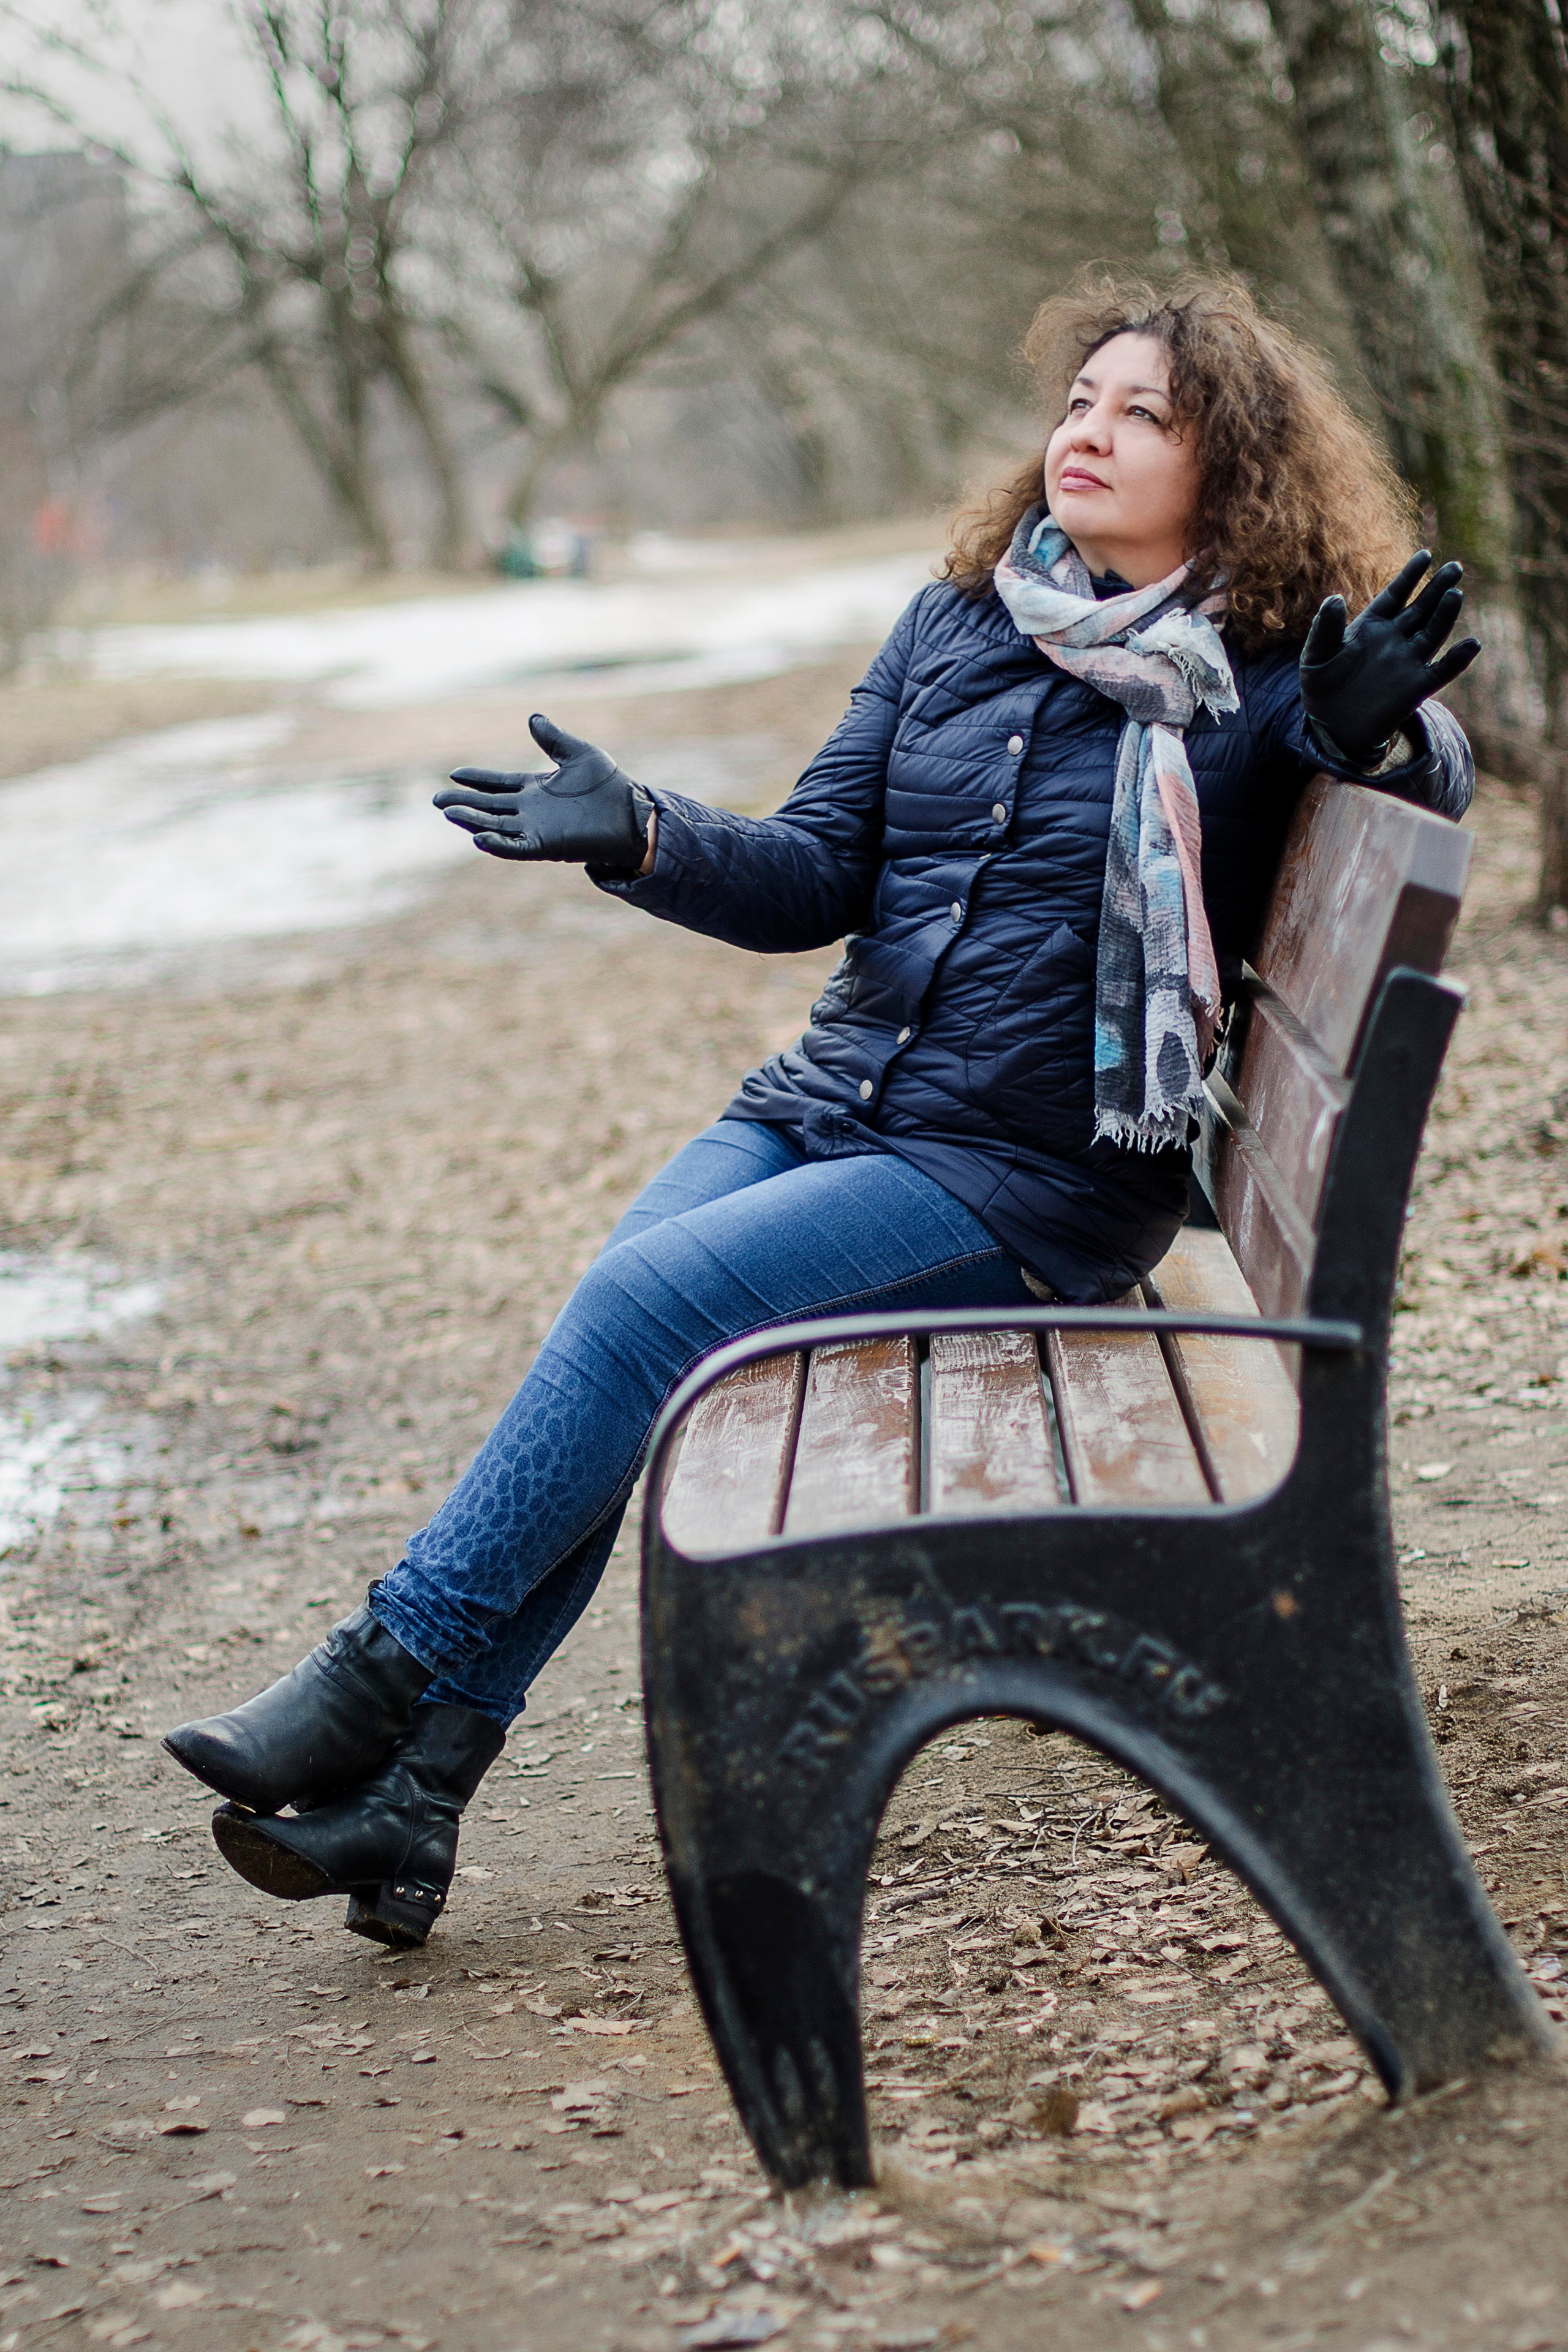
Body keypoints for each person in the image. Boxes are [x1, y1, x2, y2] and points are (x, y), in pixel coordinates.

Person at [164, 272, 1479, 1949]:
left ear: (1233, 465)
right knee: (624, 1327)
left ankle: (384, 1679)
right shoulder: (962, 621)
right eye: (1081, 398)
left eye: (1146, 412)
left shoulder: (1273, 668)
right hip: (836, 1103)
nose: (1090, 429)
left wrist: (1384, 745)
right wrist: (639, 829)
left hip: (1031, 1182)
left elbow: (1417, 762)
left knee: (649, 1309)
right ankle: (410, 1804)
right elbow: (817, 873)